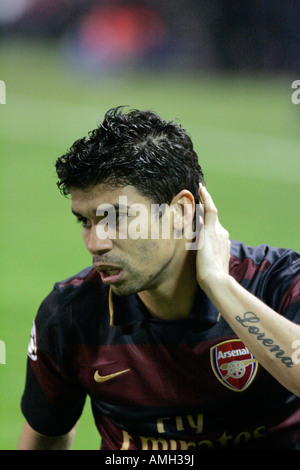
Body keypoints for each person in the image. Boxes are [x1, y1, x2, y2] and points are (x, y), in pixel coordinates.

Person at [18, 107, 300, 450]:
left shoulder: (277, 281)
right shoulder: (72, 313)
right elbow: (48, 435)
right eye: (86, 222)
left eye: (117, 217)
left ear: (181, 211)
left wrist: (219, 285)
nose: (95, 243)